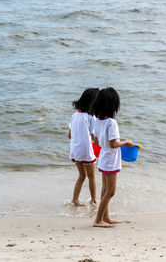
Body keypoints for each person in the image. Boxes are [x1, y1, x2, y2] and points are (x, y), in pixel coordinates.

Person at [92, 87, 133, 228]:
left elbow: (95, 140)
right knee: (111, 191)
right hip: (111, 159)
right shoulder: (111, 123)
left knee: (104, 189)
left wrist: (105, 144)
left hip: (104, 156)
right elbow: (114, 143)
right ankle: (98, 220)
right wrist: (126, 143)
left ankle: (106, 217)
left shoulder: (97, 121)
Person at [68, 88, 100, 207]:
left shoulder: (75, 115)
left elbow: (69, 135)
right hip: (86, 150)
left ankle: (75, 200)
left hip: (75, 150)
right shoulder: (91, 117)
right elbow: (94, 137)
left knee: (82, 175)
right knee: (91, 176)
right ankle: (93, 200)